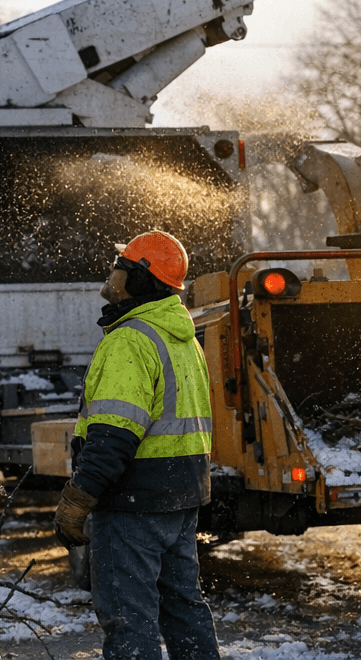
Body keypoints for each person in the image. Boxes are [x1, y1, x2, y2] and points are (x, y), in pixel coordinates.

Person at [54, 230, 220, 660]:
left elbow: (113, 437)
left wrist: (78, 498)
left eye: (123, 270)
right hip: (181, 496)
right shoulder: (182, 338)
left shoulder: (131, 340)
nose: (113, 279)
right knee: (185, 610)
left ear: (143, 281)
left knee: (129, 621)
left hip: (133, 503)